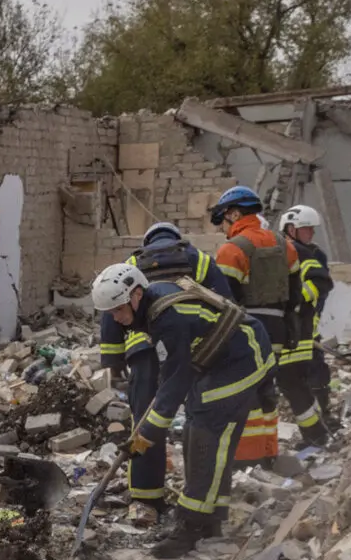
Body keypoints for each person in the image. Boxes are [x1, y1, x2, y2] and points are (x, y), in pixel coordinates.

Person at [92, 261, 274, 559]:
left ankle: (191, 526)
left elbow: (175, 381)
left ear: (136, 294)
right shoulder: (152, 307)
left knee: (205, 435)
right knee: (197, 427)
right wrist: (148, 428)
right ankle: (212, 520)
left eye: (119, 310)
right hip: (223, 357)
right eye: (111, 313)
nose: (117, 318)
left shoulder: (167, 317)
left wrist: (145, 434)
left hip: (242, 359)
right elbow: (173, 371)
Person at [100, 222, 232, 526]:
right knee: (200, 421)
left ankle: (146, 500)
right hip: (193, 351)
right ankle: (198, 499)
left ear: (147, 241)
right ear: (177, 239)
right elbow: (225, 302)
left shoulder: (131, 264)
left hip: (142, 350)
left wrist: (114, 362)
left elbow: (111, 315)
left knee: (146, 422)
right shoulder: (198, 259)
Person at [208, 186, 295, 465]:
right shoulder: (285, 244)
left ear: (234, 214)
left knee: (243, 391)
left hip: (246, 329)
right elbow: (296, 292)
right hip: (278, 327)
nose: (223, 229)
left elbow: (224, 300)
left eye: (223, 221)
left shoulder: (232, 249)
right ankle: (268, 452)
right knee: (267, 388)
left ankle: (246, 459)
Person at [275, 205, 337, 446]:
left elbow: (321, 284)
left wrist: (295, 299)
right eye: (306, 229)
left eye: (312, 229)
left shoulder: (306, 253)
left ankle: (320, 428)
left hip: (300, 328)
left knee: (302, 379)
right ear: (291, 229)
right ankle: (319, 430)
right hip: (295, 329)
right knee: (296, 381)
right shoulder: (287, 250)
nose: (311, 233)